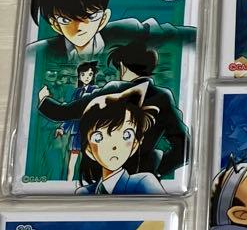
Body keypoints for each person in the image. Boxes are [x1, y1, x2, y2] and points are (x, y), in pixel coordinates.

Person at [38, 36, 192, 181]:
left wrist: (44, 100)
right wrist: (157, 171)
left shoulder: (114, 90)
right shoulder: (163, 97)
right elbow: (185, 146)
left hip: (103, 174)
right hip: (142, 175)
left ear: (123, 67)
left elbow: (64, 112)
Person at [73, 83, 164, 195]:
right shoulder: (84, 192)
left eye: (126, 135)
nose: (114, 146)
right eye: (99, 137)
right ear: (88, 150)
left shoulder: (144, 183)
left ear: (135, 144)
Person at [57, 61, 100, 180]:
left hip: (90, 130)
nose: (87, 77)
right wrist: (62, 128)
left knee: (91, 158)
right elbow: (70, 112)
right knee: (73, 158)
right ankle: (68, 182)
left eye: (90, 74)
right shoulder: (77, 92)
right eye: (83, 74)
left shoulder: (96, 90)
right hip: (76, 130)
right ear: (79, 76)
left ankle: (92, 182)